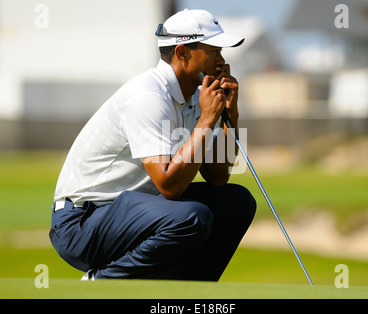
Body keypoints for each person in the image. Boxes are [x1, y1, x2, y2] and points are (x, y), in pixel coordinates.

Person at [49, 9, 256, 281]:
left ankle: (188, 293)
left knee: (237, 202)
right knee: (191, 217)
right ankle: (101, 284)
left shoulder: (194, 96)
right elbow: (169, 186)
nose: (222, 60)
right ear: (183, 53)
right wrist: (206, 119)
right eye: (213, 51)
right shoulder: (148, 96)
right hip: (82, 223)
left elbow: (218, 177)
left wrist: (231, 115)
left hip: (131, 213)